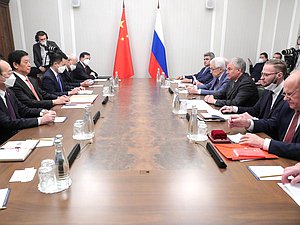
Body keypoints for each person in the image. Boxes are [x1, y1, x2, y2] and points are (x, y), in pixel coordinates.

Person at [228, 70, 300, 161]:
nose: (285, 98)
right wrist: (247, 123)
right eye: (284, 94)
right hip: (280, 159)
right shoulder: (288, 105)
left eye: (289, 94)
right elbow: (272, 123)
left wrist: (264, 143)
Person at [0, 59, 56, 144]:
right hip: (5, 142)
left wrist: (42, 112)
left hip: (19, 135)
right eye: (8, 73)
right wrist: (40, 120)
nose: (12, 76)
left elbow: (23, 109)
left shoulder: (9, 92)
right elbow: (8, 123)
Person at [220, 59, 286, 120]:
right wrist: (234, 109)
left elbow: (274, 123)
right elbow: (255, 110)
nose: (261, 78)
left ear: (279, 75)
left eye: (266, 75)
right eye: (262, 74)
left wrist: (252, 121)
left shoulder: (287, 95)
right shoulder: (268, 90)